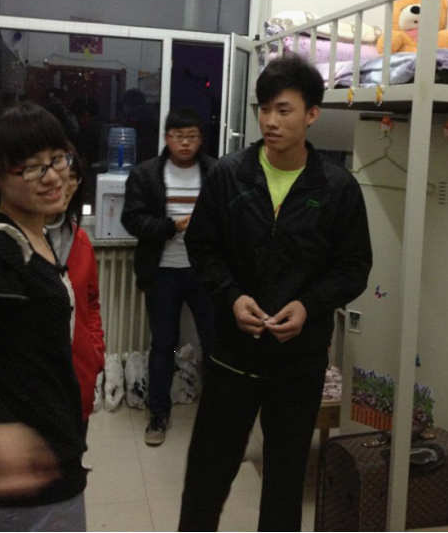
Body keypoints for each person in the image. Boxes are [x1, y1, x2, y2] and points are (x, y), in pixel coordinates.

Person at [178, 55, 373, 533]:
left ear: (312, 114)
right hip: (232, 356)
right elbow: (202, 247)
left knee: (285, 483)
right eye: (264, 109)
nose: (270, 121)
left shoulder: (337, 188)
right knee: (206, 478)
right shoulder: (229, 176)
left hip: (298, 362)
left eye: (284, 110)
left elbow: (354, 268)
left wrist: (309, 305)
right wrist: (231, 297)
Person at [0, 102, 88, 532]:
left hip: (54, 447)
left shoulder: (38, 236)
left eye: (57, 158)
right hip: (21, 475)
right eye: (31, 167)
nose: (53, 176)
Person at [121, 108, 216, 446]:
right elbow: (132, 220)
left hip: (206, 273)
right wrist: (171, 226)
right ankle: (158, 414)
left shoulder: (215, 171)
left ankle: (217, 412)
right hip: (162, 271)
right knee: (162, 345)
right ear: (167, 138)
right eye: (178, 136)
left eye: (191, 136)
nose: (185, 143)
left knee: (214, 342)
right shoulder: (146, 173)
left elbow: (230, 217)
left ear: (200, 139)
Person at [45, 146, 106, 437]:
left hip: (77, 374)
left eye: (73, 178)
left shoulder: (80, 240)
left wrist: (96, 353)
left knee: (74, 449)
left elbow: (91, 303)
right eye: (61, 176)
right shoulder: (15, 241)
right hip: (33, 383)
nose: (66, 185)